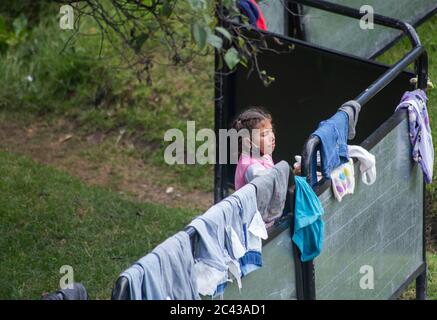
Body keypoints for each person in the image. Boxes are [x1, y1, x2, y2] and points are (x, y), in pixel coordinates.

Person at [232, 107, 276, 190]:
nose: (272, 137)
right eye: (264, 134)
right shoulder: (253, 168)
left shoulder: (264, 155)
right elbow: (271, 187)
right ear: (248, 142)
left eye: (271, 131)